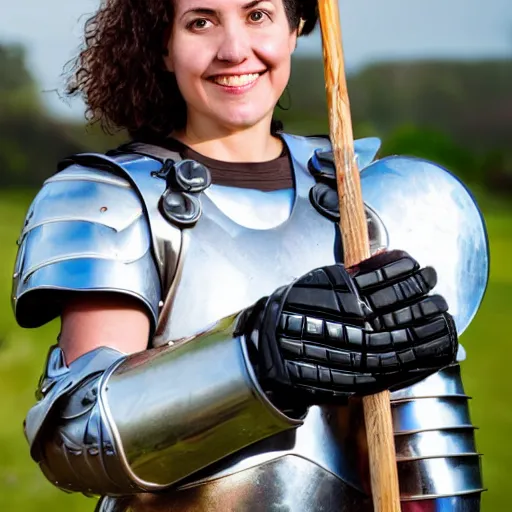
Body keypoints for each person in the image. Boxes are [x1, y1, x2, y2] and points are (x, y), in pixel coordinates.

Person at [12, 0, 484, 510]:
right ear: (163, 46)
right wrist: (256, 361)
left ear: (296, 26)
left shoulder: (370, 201)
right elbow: (79, 435)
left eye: (257, 15)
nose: (235, 50)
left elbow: (429, 461)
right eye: (201, 21)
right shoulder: (113, 201)